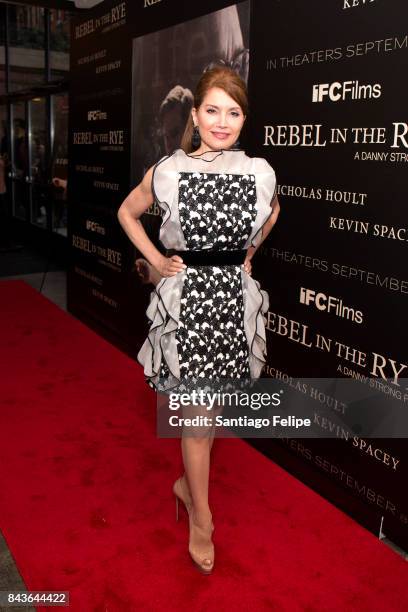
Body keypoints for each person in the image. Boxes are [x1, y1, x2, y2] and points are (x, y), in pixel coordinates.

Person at [117, 66, 280, 575]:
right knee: (196, 421)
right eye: (212, 110)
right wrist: (160, 260)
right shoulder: (169, 170)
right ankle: (202, 520)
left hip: (231, 302)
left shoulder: (258, 171)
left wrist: (248, 252)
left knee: (209, 422)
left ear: (243, 119)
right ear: (195, 114)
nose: (222, 121)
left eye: (233, 112)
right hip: (188, 308)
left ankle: (188, 486)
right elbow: (127, 212)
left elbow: (273, 211)